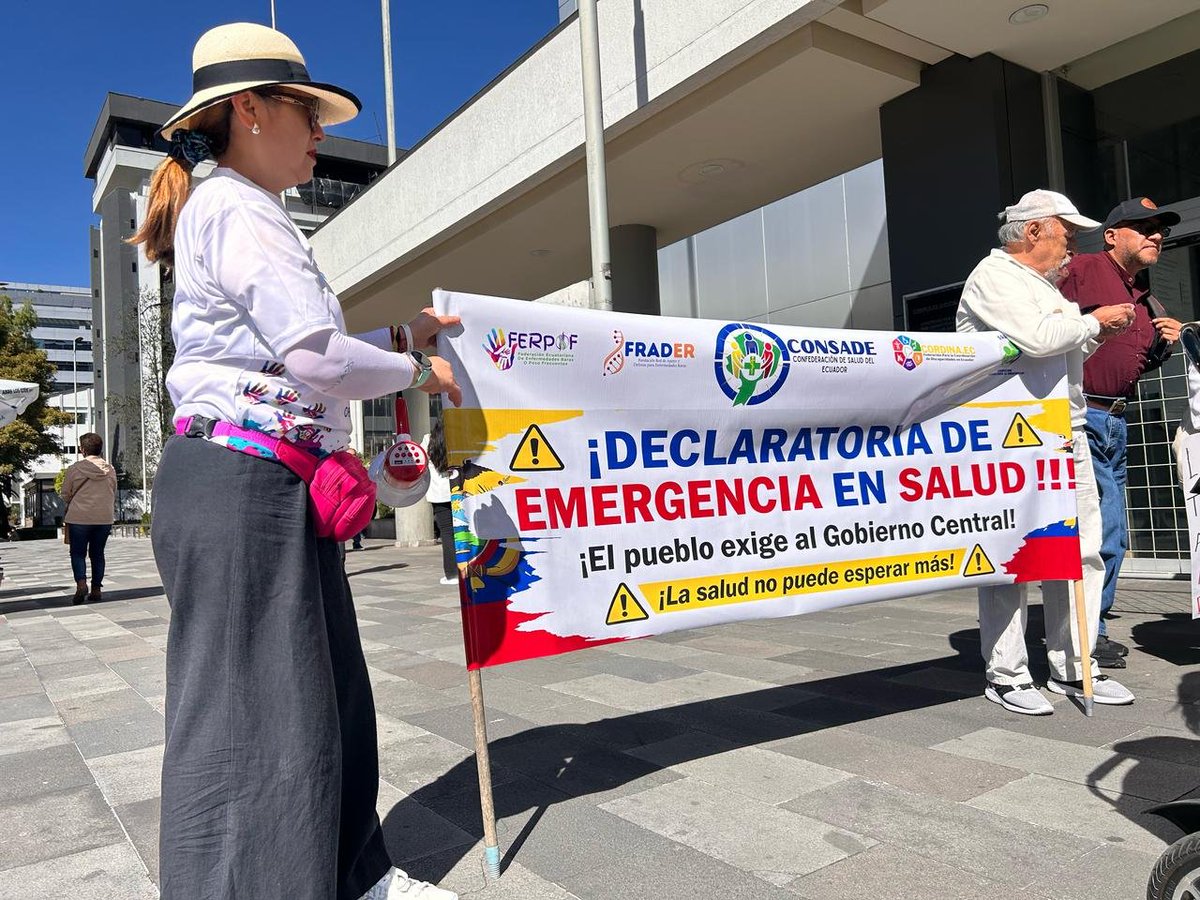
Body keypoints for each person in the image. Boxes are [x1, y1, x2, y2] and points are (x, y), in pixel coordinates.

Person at [131, 23, 461, 900]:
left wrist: (398, 339)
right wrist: (414, 367)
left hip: (264, 481)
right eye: (305, 110)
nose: (321, 129)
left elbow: (281, 349)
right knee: (259, 713)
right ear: (247, 111)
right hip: (244, 484)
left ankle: (352, 875)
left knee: (321, 694)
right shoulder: (236, 205)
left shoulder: (236, 206)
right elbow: (314, 358)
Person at [956, 189, 1138, 715]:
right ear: (1034, 230)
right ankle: (1008, 673)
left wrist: (1096, 332)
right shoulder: (993, 276)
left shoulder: (1045, 286)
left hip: (1065, 428)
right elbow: (1037, 339)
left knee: (1079, 551)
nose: (1072, 245)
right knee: (1012, 556)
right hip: (1007, 436)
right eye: (1067, 232)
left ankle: (1076, 665)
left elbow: (1064, 346)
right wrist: (1095, 321)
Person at [1059, 198, 1182, 668]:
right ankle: (1089, 632)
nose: (1156, 236)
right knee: (1105, 530)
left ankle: (1088, 625)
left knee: (1106, 530)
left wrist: (1162, 345)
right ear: (1112, 234)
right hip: (1080, 415)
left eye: (1160, 231)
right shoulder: (1085, 268)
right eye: (1144, 228)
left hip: (1116, 420)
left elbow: (1131, 359)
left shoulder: (1144, 294)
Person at [61, 432, 117, 604]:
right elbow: (112, 491)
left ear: (82, 449)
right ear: (100, 449)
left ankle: (81, 584)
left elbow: (65, 494)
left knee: (78, 553)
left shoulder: (74, 469)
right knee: (98, 554)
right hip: (103, 518)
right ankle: (96, 589)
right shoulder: (110, 469)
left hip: (79, 517)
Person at [424, 418, 458, 586]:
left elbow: (420, 464)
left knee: (447, 534)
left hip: (439, 494)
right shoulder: (461, 438)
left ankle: (452, 574)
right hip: (460, 491)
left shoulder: (428, 440)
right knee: (466, 531)